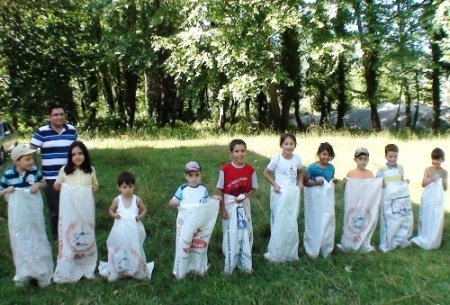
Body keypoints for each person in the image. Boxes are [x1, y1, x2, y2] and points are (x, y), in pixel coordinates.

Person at [0, 144, 53, 287]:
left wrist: (38, 186)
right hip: (18, 217)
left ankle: (41, 271)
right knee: (21, 239)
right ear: (17, 161)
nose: (31, 162)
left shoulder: (34, 171)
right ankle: (24, 272)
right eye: (27, 159)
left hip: (34, 214)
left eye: (32, 159)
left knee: (37, 237)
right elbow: (0, 191)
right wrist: (7, 190)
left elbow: (44, 184)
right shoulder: (9, 175)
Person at [52, 141, 98, 283]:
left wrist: (91, 189)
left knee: (85, 234)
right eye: (74, 154)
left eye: (80, 153)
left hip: (85, 210)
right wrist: (63, 187)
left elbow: (95, 186)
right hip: (70, 211)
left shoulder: (90, 170)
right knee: (70, 234)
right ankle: (69, 260)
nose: (77, 157)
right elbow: (56, 186)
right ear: (69, 157)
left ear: (85, 154)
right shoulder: (64, 170)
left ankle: (86, 263)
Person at [30, 104, 77, 240]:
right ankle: (58, 238)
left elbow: (78, 149)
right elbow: (31, 151)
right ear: (50, 117)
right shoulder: (42, 132)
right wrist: (36, 170)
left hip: (70, 177)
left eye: (61, 114)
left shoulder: (71, 130)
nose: (59, 117)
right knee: (55, 210)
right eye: (56, 114)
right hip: (50, 178)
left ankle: (72, 235)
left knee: (72, 207)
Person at [99, 171, 154, 281]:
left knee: (134, 247)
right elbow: (110, 209)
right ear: (119, 188)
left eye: (130, 186)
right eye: (124, 187)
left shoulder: (137, 199)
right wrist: (115, 215)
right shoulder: (117, 200)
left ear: (134, 186)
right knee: (121, 247)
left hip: (134, 229)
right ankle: (121, 268)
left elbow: (144, 209)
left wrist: (140, 216)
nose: (128, 190)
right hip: (120, 229)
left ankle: (135, 268)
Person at [169, 161, 220, 279]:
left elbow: (206, 203)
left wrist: (213, 199)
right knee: (184, 244)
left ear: (201, 175)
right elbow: (171, 202)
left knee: (198, 245)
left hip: (199, 224)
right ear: (186, 176)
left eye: (197, 175)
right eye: (190, 175)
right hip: (186, 223)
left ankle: (198, 266)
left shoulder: (203, 189)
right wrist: (177, 202)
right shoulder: (182, 189)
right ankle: (181, 269)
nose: (194, 178)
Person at [216, 139, 258, 273]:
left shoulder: (250, 170)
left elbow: (253, 188)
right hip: (229, 202)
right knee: (229, 228)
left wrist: (245, 196)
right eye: (237, 151)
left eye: (243, 151)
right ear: (231, 153)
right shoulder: (225, 169)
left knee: (245, 227)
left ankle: (245, 252)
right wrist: (222, 209)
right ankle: (229, 251)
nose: (240, 154)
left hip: (243, 202)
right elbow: (219, 190)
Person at [263, 133, 304, 262]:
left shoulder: (297, 159)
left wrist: (300, 182)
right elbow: (266, 173)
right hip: (279, 193)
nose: (289, 146)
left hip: (292, 193)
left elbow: (301, 171)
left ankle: (290, 252)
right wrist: (275, 184)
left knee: (291, 220)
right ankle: (276, 252)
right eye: (286, 144)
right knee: (279, 220)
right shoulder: (277, 159)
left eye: (291, 143)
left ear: (295, 145)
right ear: (281, 145)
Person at [339, 148, 382, 252]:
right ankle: (349, 241)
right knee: (352, 221)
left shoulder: (370, 174)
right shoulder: (351, 173)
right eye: (360, 159)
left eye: (365, 159)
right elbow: (346, 188)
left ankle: (363, 242)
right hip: (353, 203)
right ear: (355, 160)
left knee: (364, 221)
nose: (363, 161)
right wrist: (345, 183)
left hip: (366, 203)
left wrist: (380, 183)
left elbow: (373, 189)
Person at [376, 144, 413, 252]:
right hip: (388, 197)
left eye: (395, 156)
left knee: (401, 216)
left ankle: (401, 238)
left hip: (399, 198)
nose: (393, 159)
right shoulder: (382, 168)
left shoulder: (400, 167)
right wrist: (382, 184)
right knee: (389, 218)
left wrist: (404, 182)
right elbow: (377, 181)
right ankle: (387, 241)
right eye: (390, 156)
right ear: (386, 156)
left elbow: (400, 180)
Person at [303, 142, 336, 258]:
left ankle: (326, 246)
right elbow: (305, 182)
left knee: (327, 219)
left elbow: (330, 181)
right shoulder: (312, 167)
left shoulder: (331, 168)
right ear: (319, 154)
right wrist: (316, 183)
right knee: (315, 220)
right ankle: (313, 245)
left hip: (326, 200)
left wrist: (332, 183)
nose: (326, 157)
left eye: (329, 155)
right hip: (314, 199)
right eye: (324, 154)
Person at [411, 148, 448, 249]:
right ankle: (425, 236)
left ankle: (434, 239)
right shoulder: (428, 170)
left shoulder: (444, 172)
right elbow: (423, 184)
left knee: (436, 217)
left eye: (438, 160)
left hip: (438, 199)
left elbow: (445, 188)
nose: (436, 162)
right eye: (434, 159)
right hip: (428, 197)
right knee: (427, 216)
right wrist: (431, 179)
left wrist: (442, 181)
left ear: (442, 160)